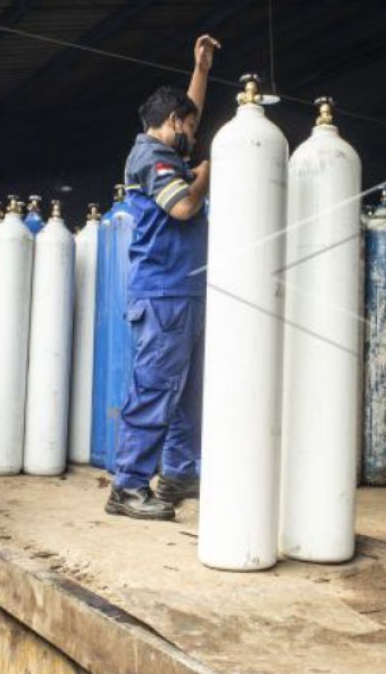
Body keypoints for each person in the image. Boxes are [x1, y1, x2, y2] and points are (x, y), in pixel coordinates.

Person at [107, 34, 220, 520]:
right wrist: (209, 171)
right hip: (164, 292)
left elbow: (186, 111)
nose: (193, 136)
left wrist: (201, 69)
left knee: (186, 393)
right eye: (188, 127)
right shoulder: (152, 158)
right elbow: (183, 206)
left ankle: (177, 475)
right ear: (171, 124)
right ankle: (128, 487)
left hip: (185, 290)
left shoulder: (169, 149)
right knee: (154, 389)